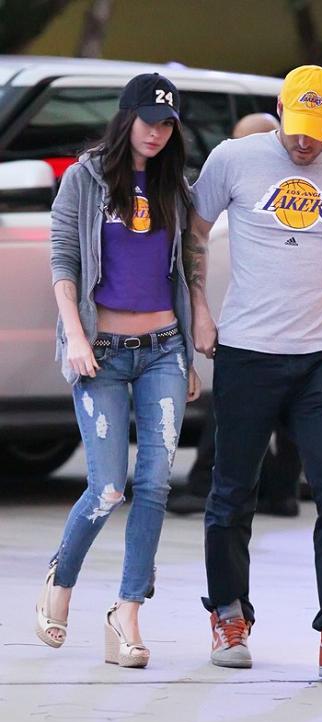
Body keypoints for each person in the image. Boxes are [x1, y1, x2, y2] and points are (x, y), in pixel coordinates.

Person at [184, 65, 322, 676]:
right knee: (231, 494)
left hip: (319, 359)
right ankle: (229, 616)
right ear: (280, 108)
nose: (302, 141)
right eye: (294, 125)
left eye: (316, 128)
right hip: (248, 354)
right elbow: (194, 233)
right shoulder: (234, 159)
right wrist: (199, 308)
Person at [38, 73, 200, 668]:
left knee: (155, 485)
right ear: (125, 117)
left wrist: (186, 349)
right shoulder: (84, 179)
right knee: (107, 487)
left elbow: (184, 269)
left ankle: (126, 615)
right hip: (100, 352)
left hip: (162, 349)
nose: (156, 133)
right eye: (148, 121)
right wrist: (75, 337)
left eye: (166, 124)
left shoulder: (174, 189)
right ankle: (62, 579)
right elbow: (62, 260)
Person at [168, 111, 303, 518]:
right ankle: (281, 491)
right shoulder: (254, 184)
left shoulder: (253, 191)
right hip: (274, 324)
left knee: (230, 406)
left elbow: (199, 233)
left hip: (256, 326)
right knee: (284, 408)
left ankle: (210, 485)